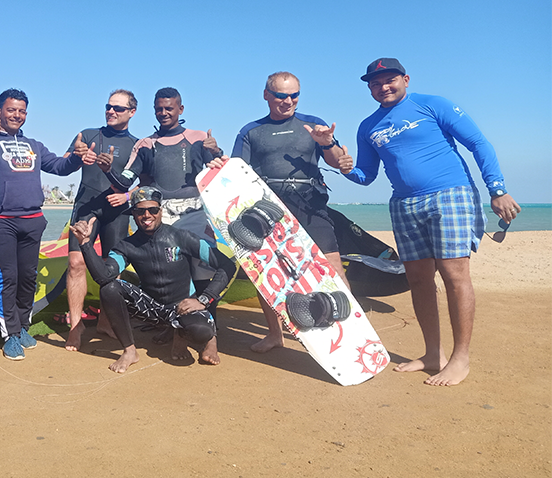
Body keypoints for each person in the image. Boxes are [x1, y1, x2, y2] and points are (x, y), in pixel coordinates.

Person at [339, 57, 520, 386]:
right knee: (419, 280)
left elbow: (478, 143)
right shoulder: (368, 127)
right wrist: (344, 167)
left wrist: (498, 190)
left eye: (390, 80)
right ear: (369, 89)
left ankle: (460, 358)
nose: (383, 87)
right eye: (376, 84)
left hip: (451, 195)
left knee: (454, 276)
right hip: (404, 204)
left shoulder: (433, 105)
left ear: (406, 79)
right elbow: (365, 176)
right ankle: (432, 353)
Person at [223, 71, 351, 353]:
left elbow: (337, 159)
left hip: (309, 204)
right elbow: (236, 171)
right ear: (267, 95)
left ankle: (350, 329)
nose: (288, 101)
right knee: (265, 272)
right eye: (281, 95)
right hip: (268, 208)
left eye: (294, 95)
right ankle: (274, 334)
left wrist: (326, 142)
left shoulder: (313, 124)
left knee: (332, 267)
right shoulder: (251, 131)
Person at [100, 86, 224, 363]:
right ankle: (173, 328)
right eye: (159, 108)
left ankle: (210, 339)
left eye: (170, 108)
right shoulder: (145, 145)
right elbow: (124, 182)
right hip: (159, 214)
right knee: (167, 275)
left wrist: (216, 150)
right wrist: (107, 169)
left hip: (194, 211)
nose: (164, 113)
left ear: (181, 110)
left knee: (202, 273)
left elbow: (218, 168)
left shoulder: (198, 139)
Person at [0, 89, 91, 361]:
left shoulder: (34, 145)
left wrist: (75, 156)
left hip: (32, 219)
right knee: (8, 277)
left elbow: (60, 168)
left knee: (28, 277)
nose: (16, 115)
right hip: (1, 220)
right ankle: (9, 334)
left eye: (21, 111)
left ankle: (23, 326)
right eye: (11, 109)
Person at [70, 187, 237, 373]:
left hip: (182, 305)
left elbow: (227, 266)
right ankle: (130, 351)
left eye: (153, 210)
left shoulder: (181, 237)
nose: (147, 215)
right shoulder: (126, 246)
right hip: (151, 309)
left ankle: (194, 336)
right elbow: (103, 276)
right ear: (133, 214)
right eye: (140, 211)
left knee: (201, 332)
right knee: (108, 288)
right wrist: (85, 244)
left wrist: (203, 299)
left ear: (161, 211)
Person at [63, 89, 138, 351]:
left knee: (111, 269)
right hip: (86, 206)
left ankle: (107, 321)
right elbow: (63, 166)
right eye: (109, 106)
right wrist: (76, 155)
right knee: (75, 262)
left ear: (132, 112)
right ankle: (76, 325)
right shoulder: (88, 135)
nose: (111, 111)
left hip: (116, 211)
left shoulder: (137, 145)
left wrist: (127, 196)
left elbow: (147, 183)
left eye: (118, 108)